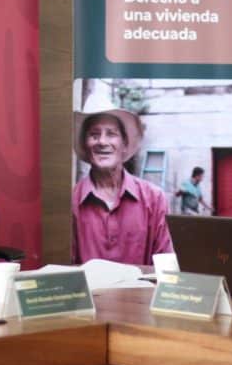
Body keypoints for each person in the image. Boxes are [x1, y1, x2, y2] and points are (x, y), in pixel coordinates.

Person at [72, 93, 172, 266]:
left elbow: (166, 265)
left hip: (142, 285)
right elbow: (64, 268)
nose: (102, 141)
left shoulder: (154, 199)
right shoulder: (71, 202)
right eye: (94, 134)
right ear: (85, 145)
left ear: (125, 144)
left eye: (111, 134)